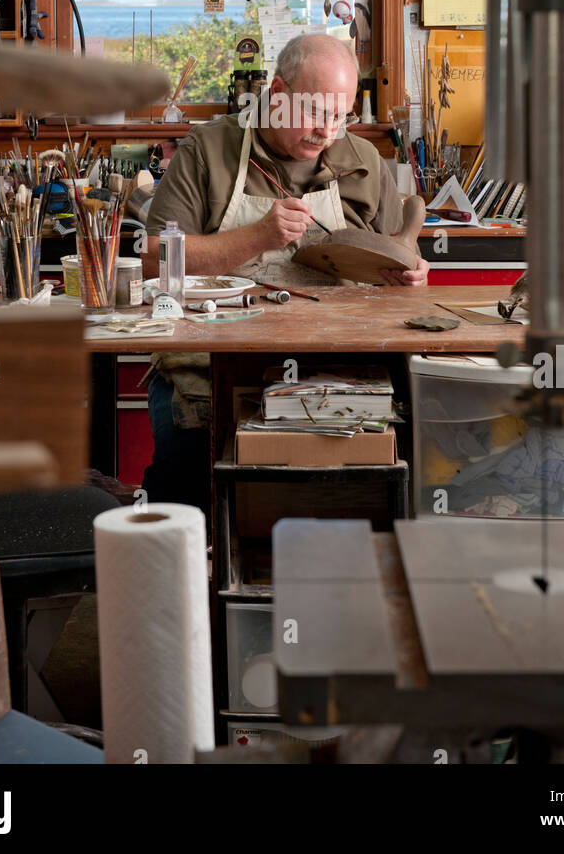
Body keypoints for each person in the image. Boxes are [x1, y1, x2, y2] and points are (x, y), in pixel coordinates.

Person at [131, 34, 429, 517]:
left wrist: (413, 278)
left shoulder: (364, 162)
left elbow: (402, 265)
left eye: (341, 116)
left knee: (379, 486)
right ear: (278, 95)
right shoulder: (209, 151)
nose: (328, 132)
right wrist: (255, 238)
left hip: (338, 373)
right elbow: (153, 260)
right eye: (315, 114)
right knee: (187, 491)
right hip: (209, 372)